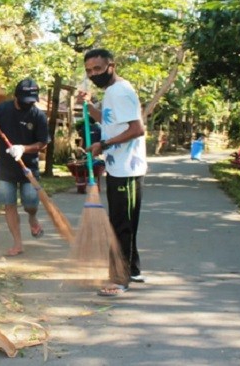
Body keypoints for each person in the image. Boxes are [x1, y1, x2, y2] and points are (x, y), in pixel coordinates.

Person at [78, 48, 148, 297]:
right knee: (125, 221)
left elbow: (137, 129)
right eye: (89, 71)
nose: (93, 74)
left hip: (127, 169)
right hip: (118, 166)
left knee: (121, 225)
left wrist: (103, 145)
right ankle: (134, 269)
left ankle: (120, 279)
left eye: (97, 69)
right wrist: (88, 106)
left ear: (111, 66)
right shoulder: (111, 92)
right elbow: (108, 121)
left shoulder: (120, 91)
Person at [0, 78, 50, 257]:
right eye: (25, 101)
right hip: (5, 169)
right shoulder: (2, 110)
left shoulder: (38, 115)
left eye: (32, 101)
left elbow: (43, 143)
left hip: (28, 168)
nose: (28, 104)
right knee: (9, 205)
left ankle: (32, 218)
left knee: (30, 203)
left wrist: (23, 148)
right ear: (16, 96)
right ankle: (18, 243)